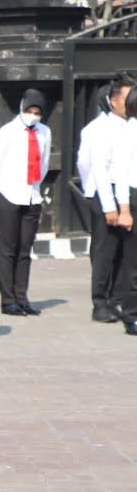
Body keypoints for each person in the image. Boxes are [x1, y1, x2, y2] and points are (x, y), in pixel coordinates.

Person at [0, 88, 51, 317]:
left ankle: (22, 297)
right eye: (30, 110)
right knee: (8, 249)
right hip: (8, 195)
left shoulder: (45, 132)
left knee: (25, 250)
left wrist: (34, 186)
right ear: (22, 108)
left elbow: (44, 163)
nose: (33, 115)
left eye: (38, 112)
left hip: (32, 195)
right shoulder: (7, 132)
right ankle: (8, 300)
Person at [79, 76, 133, 322]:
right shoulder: (99, 128)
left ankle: (118, 299)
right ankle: (100, 302)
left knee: (125, 251)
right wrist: (109, 206)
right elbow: (93, 167)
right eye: (127, 98)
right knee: (105, 251)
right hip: (105, 191)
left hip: (126, 191)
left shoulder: (130, 126)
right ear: (113, 101)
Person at [110, 87, 137, 334]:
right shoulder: (128, 132)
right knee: (133, 263)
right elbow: (120, 175)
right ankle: (131, 315)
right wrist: (125, 210)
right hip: (133, 199)